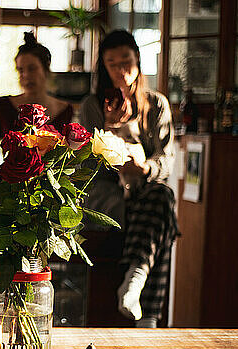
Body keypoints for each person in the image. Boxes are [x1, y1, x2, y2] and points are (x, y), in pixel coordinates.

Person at [79, 30, 178, 328]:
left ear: (138, 60)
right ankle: (146, 316)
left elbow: (167, 160)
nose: (121, 70)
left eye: (126, 61)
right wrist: (111, 134)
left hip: (145, 193)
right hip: (109, 199)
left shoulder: (156, 104)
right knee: (164, 222)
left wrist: (145, 167)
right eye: (112, 63)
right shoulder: (92, 106)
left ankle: (134, 282)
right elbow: (85, 164)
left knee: (162, 196)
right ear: (103, 68)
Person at [0, 31, 73, 166]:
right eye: (20, 70)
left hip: (48, 185)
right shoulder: (3, 105)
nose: (26, 75)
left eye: (32, 69)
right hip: (8, 184)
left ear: (45, 68)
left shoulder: (65, 109)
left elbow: (68, 158)